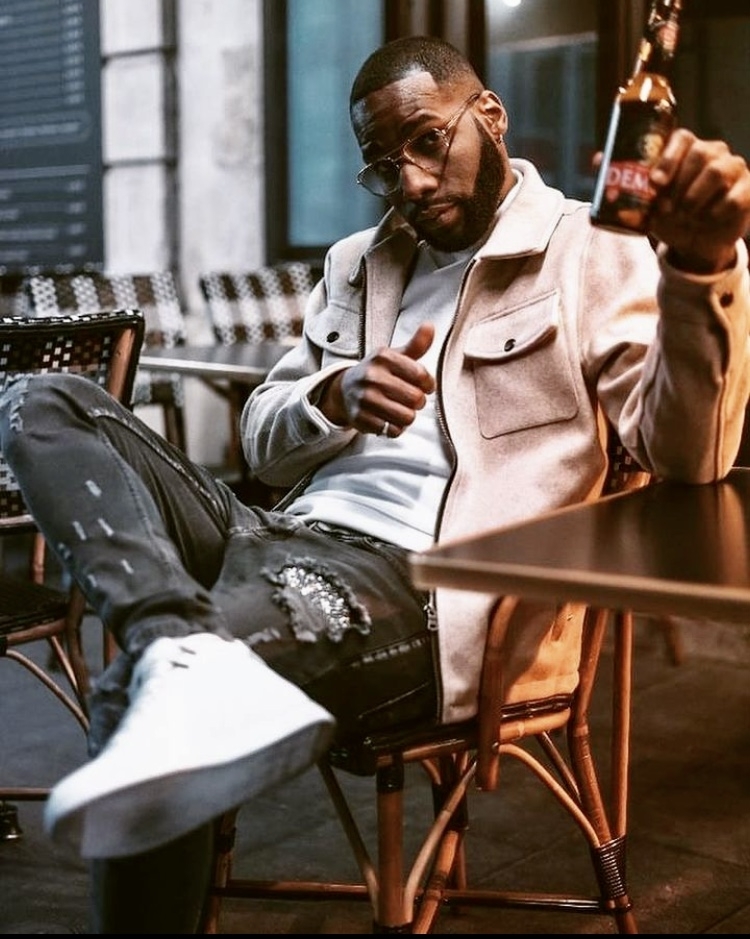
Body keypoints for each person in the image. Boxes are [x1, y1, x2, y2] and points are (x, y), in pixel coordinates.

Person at [2, 35, 750, 934]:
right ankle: (174, 639)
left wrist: (703, 270)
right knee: (42, 400)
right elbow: (261, 441)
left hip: (423, 586)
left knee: (137, 700)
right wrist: (331, 396)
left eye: (428, 141)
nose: (413, 183)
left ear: (490, 116)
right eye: (385, 165)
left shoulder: (590, 250)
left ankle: (173, 660)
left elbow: (689, 458)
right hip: (274, 534)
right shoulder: (358, 262)